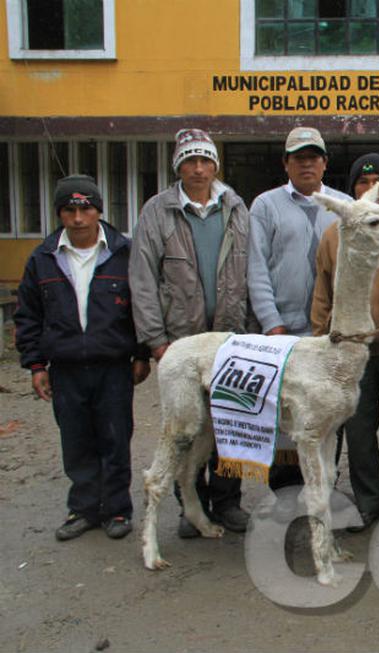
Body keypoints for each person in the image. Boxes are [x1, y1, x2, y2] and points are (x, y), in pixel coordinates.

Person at [129, 128, 253, 537]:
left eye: (205, 160)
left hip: (230, 339)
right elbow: (142, 279)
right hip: (180, 342)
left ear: (215, 165)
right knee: (187, 427)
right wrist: (156, 341)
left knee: (231, 422)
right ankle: (190, 507)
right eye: (189, 160)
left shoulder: (235, 206)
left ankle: (228, 501)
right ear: (178, 166)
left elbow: (252, 272)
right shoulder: (157, 211)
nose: (198, 168)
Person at [14, 175, 151, 541]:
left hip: (113, 366)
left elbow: (142, 306)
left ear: (98, 211)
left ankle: (118, 510)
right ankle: (84, 509)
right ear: (60, 213)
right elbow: (28, 316)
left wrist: (141, 354)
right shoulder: (43, 259)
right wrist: (36, 365)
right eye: (69, 210)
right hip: (66, 367)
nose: (78, 218)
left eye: (85, 209)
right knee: (76, 441)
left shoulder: (124, 252)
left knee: (115, 438)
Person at [311, 154, 379, 531]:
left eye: (377, 181)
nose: (367, 188)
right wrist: (320, 339)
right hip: (350, 351)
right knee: (359, 431)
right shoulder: (333, 234)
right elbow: (322, 293)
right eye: (361, 181)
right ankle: (368, 502)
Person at [248, 127, 349, 494]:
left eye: (313, 157)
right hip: (283, 332)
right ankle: (286, 490)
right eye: (298, 158)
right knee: (284, 414)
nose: (306, 164)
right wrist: (271, 323)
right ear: (286, 163)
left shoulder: (343, 206)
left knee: (327, 411)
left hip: (328, 333)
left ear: (324, 163)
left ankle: (324, 487)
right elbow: (256, 267)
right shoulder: (265, 205)